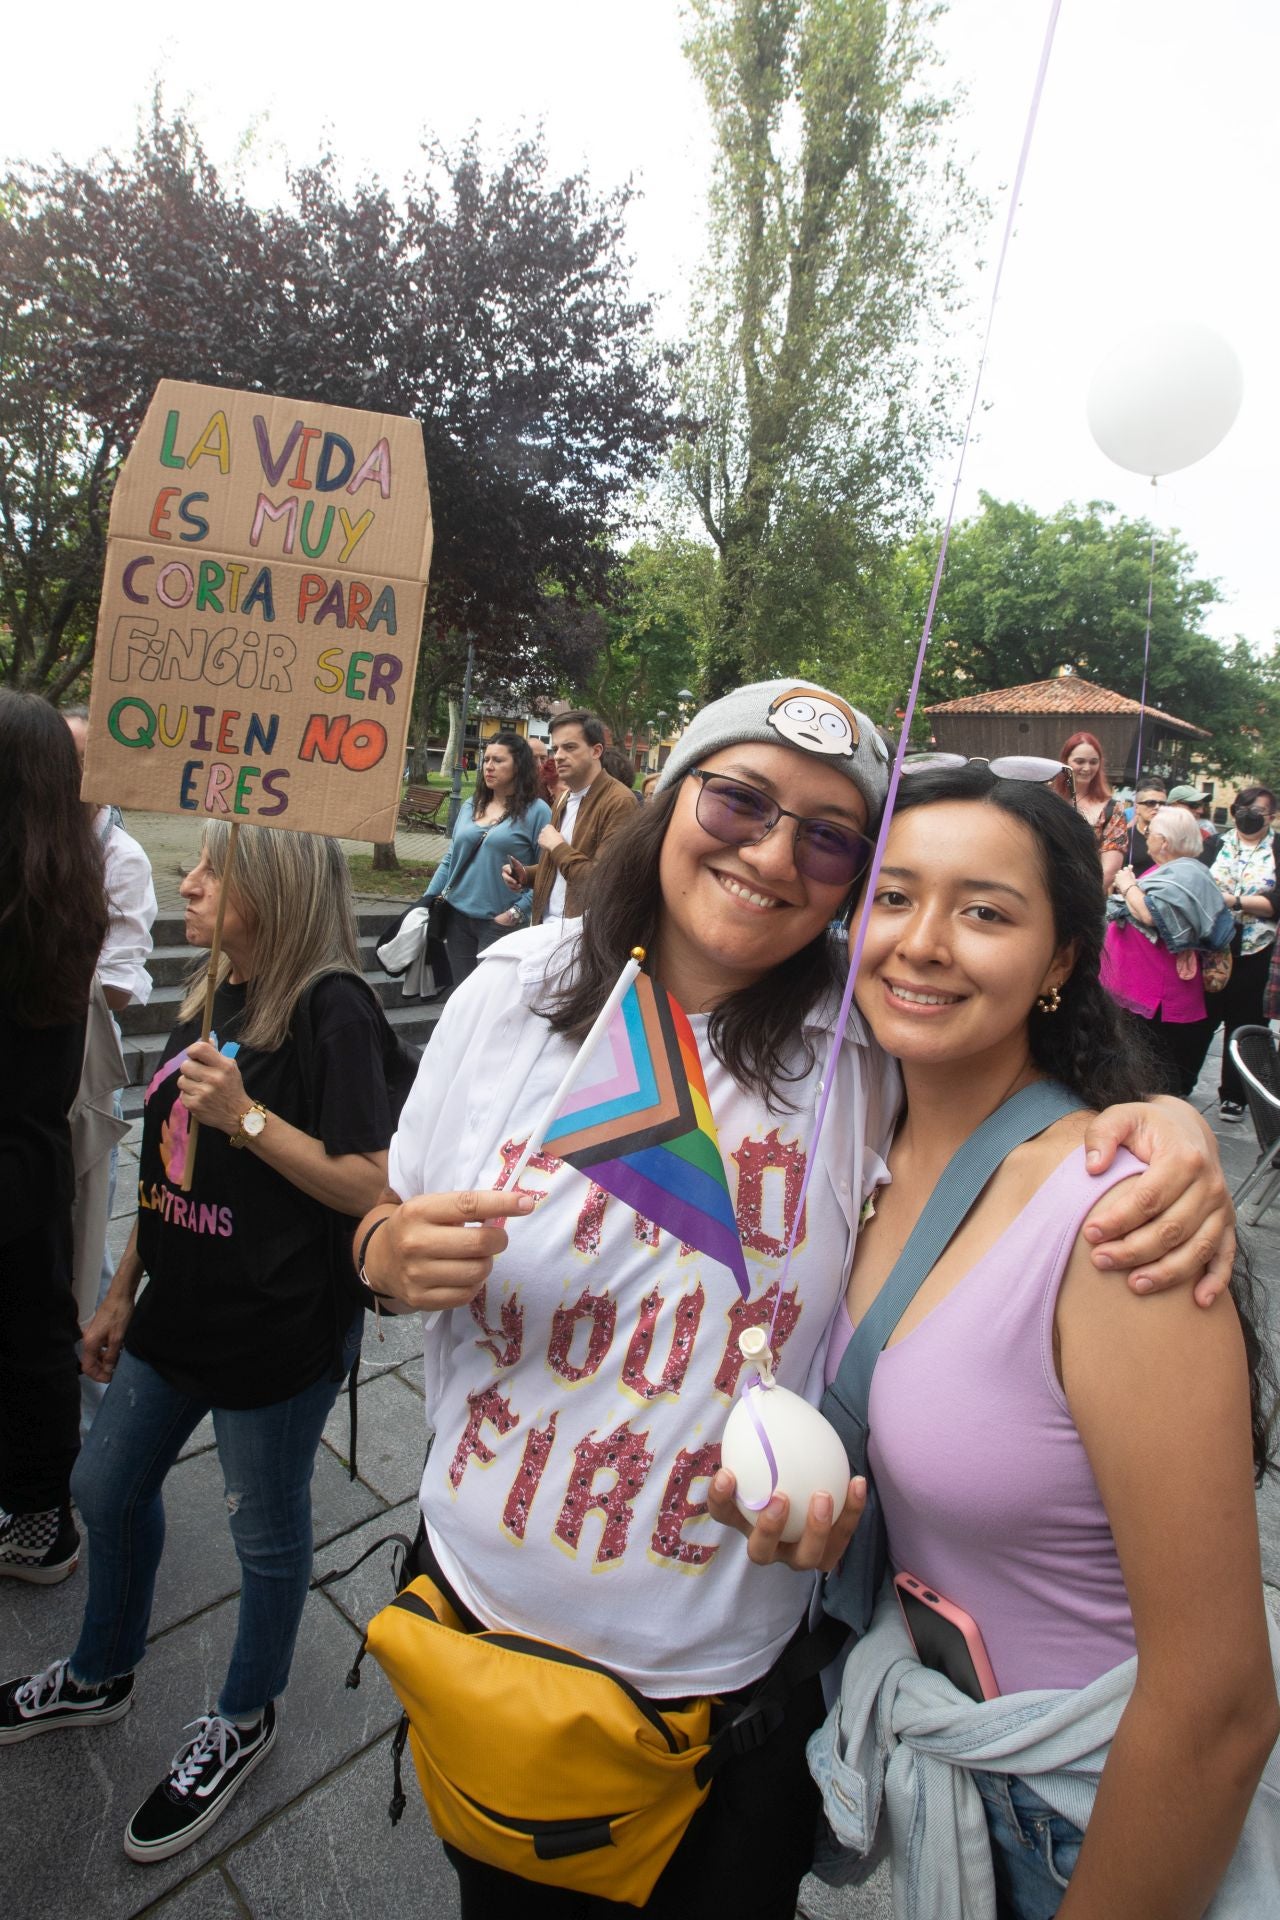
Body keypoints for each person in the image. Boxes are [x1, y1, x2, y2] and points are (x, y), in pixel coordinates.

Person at [354, 680, 1236, 1920]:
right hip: (467, 1602)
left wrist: (1159, 1128)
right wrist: (383, 1259)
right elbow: (386, 1215)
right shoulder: (510, 988)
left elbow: (1016, 1103)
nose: (772, 852)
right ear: (674, 800)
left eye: (828, 837)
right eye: (739, 799)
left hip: (718, 1684)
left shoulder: (865, 1043)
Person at [800, 764, 1280, 1917]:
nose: (920, 943)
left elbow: (1217, 1705)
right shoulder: (848, 1137)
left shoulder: (1115, 1218)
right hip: (935, 1766)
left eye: (983, 912)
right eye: (894, 897)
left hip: (1082, 1817)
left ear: (1062, 958)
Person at [0, 824, 395, 1865]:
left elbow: (372, 1186)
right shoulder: (217, 989)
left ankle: (244, 1713)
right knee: (103, 1488)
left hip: (275, 1332)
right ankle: (99, 1670)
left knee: (265, 1538)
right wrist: (123, 1287)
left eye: (216, 868)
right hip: (173, 1317)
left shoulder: (332, 1007)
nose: (192, 880)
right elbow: (162, 1170)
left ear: (272, 886)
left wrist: (250, 1119)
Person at [0, 692, 108, 1584]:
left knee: (31, 1344)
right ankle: (41, 1511)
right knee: (34, 1336)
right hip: (31, 1164)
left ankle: (39, 1518)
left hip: (19, 1155)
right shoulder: (63, 887)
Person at [63, 708, 159, 1434]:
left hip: (79, 1062)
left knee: (85, 1235)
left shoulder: (119, 856)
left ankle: (96, 1418)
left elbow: (122, 981)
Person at [1102, 805, 1232, 1096]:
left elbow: (1153, 915)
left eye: (1151, 832)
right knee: (1141, 1057)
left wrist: (1128, 886)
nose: (1145, 835)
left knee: (1155, 1061)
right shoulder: (1171, 868)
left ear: (1164, 841)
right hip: (1139, 981)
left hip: (1157, 988)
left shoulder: (1185, 873)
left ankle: (1159, 1117)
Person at [423, 732, 550, 984]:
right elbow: (451, 859)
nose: (489, 766)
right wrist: (426, 900)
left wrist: (515, 913)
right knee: (461, 996)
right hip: (458, 918)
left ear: (519, 766)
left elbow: (548, 874)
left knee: (490, 1000)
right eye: (487, 759)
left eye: (499, 760)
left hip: (499, 925)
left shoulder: (537, 812)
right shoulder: (472, 804)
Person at [503, 709, 637, 925]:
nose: (558, 755)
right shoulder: (564, 797)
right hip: (545, 927)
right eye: (555, 748)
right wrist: (525, 875)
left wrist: (557, 847)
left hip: (580, 935)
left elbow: (600, 883)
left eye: (570, 747)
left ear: (596, 751)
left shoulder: (620, 801)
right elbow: (559, 870)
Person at [1198, 787, 1279, 1118]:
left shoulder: (1276, 848)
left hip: (1257, 947)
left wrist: (1234, 901)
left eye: (1258, 811)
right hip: (1213, 946)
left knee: (1246, 1022)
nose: (1249, 815)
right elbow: (1198, 883)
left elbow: (1275, 904)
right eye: (1244, 808)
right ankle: (1180, 1081)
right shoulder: (1215, 844)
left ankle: (1236, 1095)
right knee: (1201, 1017)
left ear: (1271, 816)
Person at [1052, 732, 1128, 886]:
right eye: (1079, 761)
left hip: (1087, 896)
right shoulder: (1047, 799)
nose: (1087, 768)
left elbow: (1110, 870)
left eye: (1093, 762)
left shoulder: (1112, 809)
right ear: (1065, 761)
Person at [1125, 775, 1168, 873]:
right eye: (1150, 803)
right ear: (1136, 808)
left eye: (1162, 804)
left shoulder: (1174, 839)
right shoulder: (1123, 838)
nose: (1157, 807)